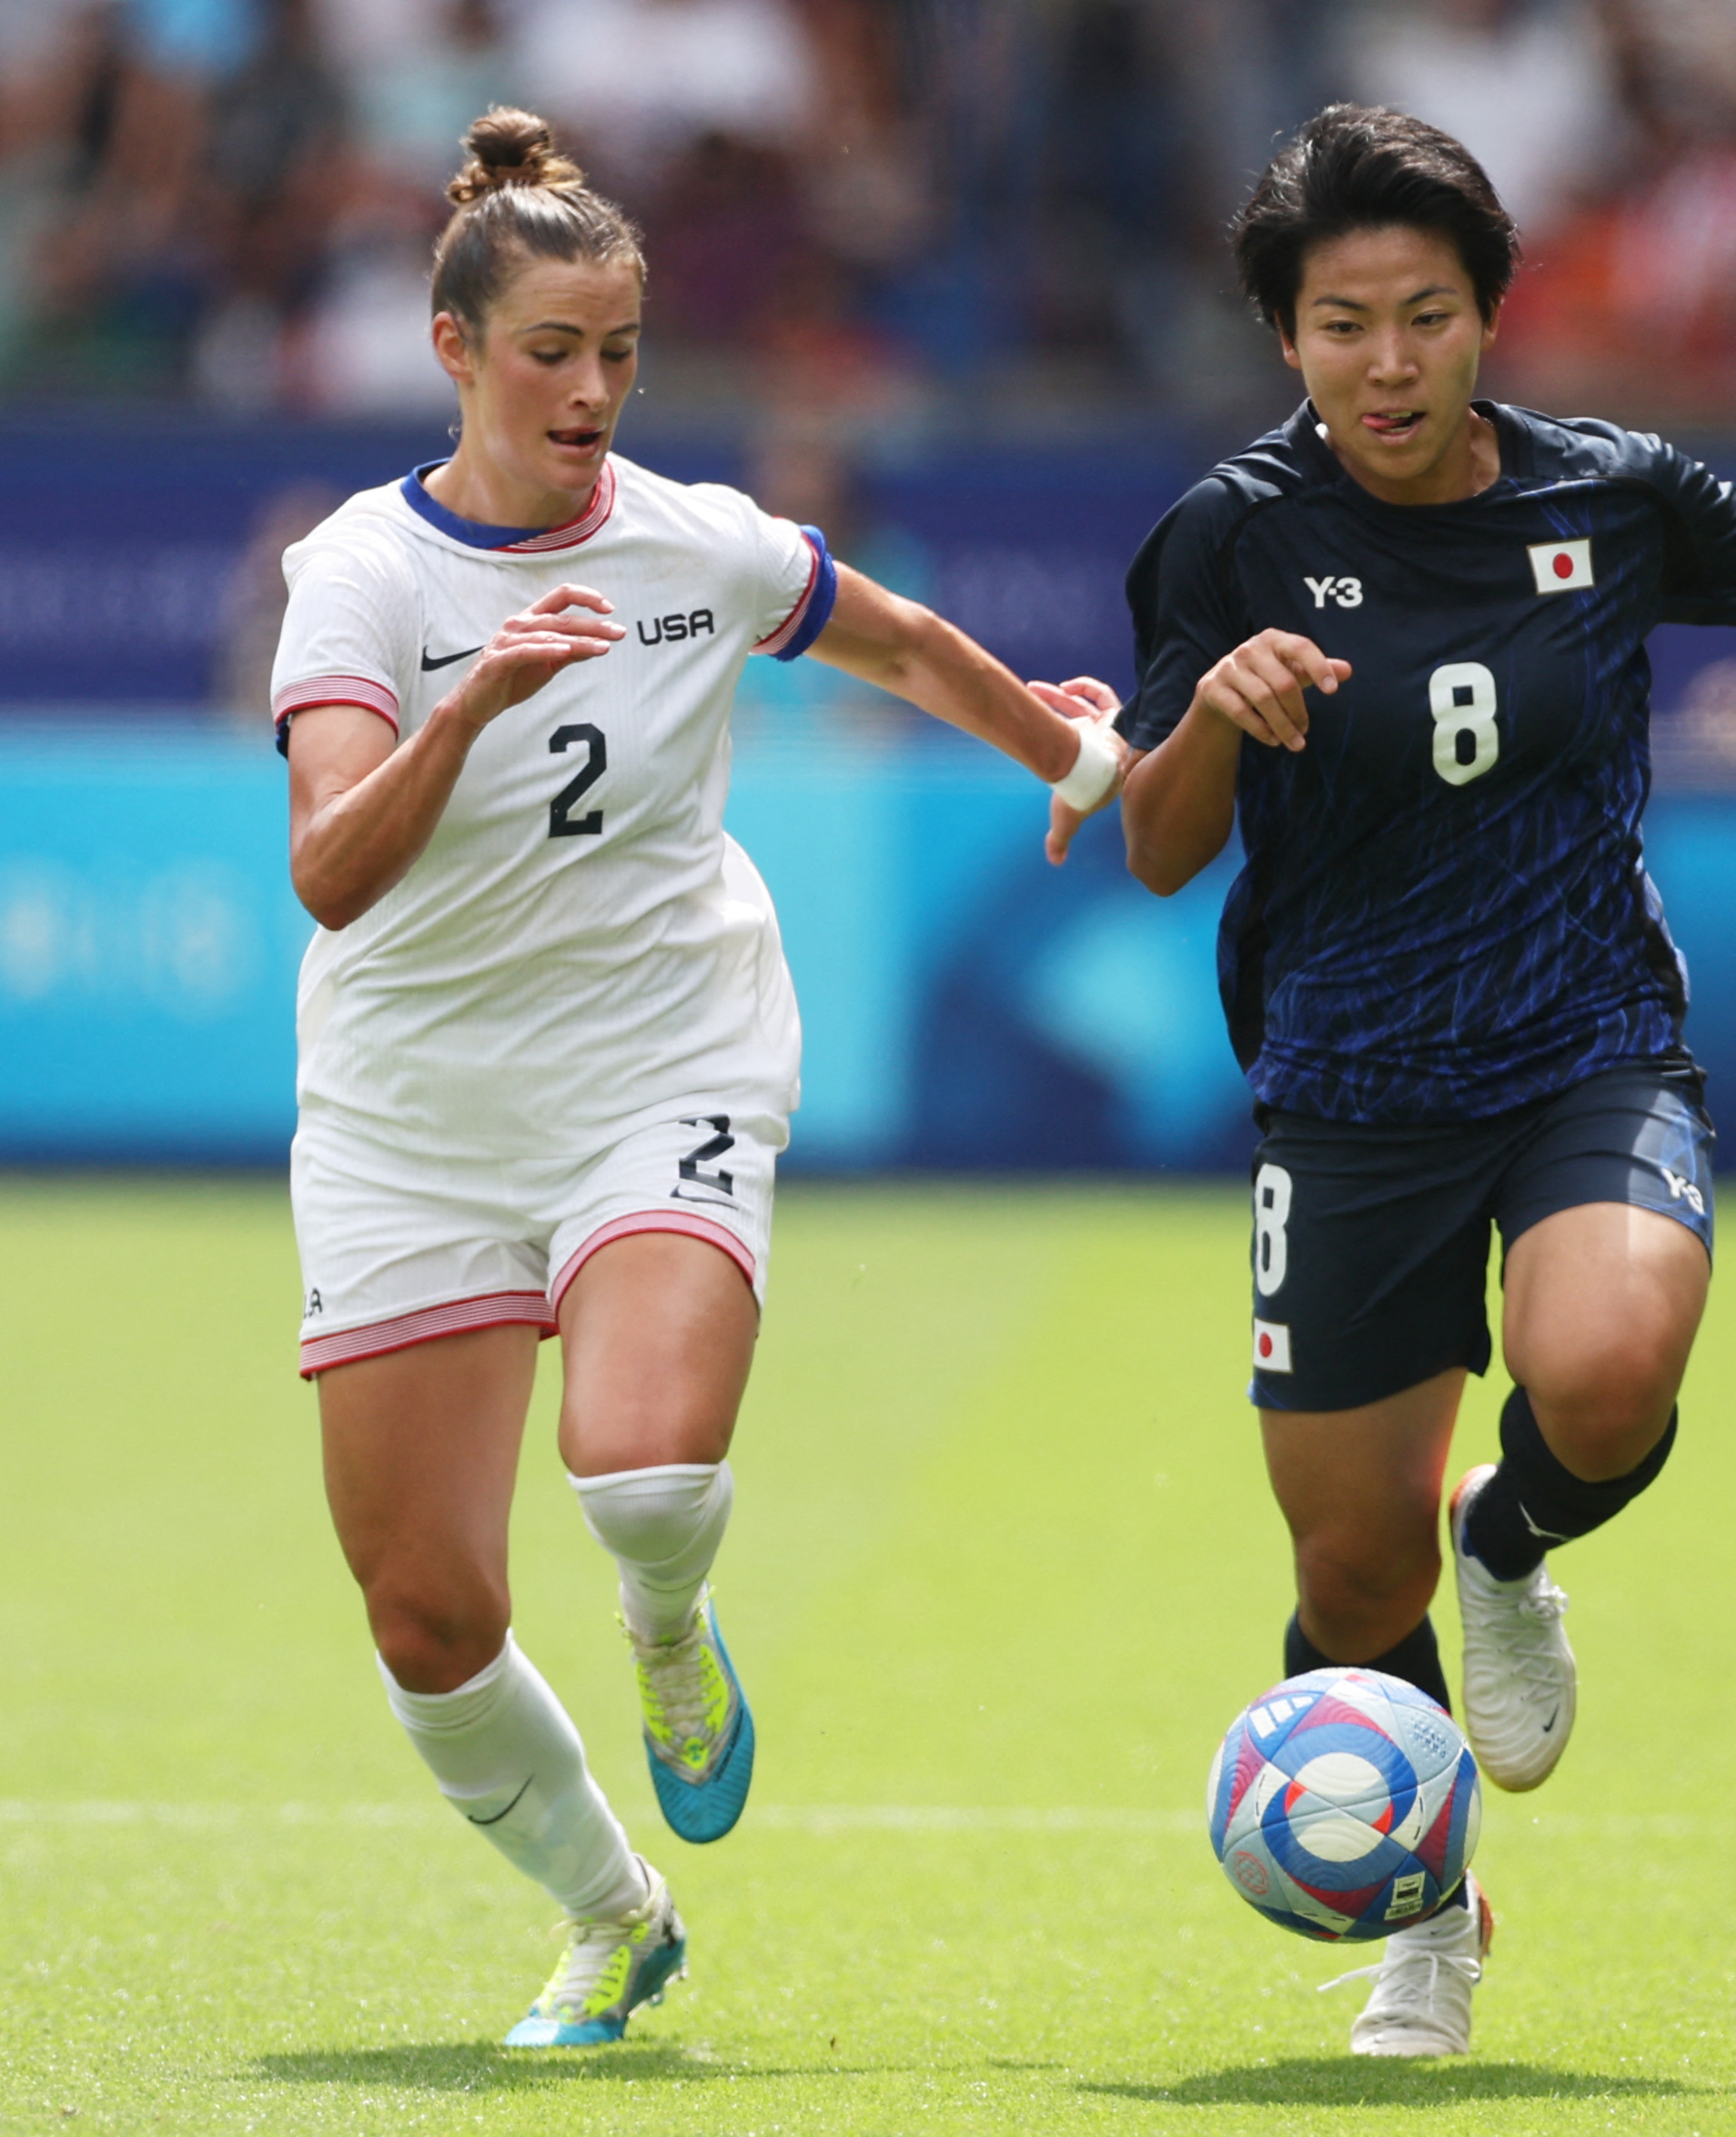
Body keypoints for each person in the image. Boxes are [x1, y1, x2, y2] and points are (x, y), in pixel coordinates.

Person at [1039, 105, 1736, 2059]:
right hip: (1347, 1078)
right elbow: (1150, 848)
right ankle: (1426, 1915)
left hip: (1583, 1037)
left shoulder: (1607, 491)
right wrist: (1212, 718)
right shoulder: (1230, 537)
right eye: (1336, 326)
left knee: (1608, 1368)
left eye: (1420, 315)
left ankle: (1516, 1535)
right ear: (1283, 340)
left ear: (1487, 315)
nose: (1383, 363)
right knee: (1340, 1556)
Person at [273, 110, 1119, 2051]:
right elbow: (329, 869)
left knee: (643, 1467)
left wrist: (1058, 756)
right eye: (550, 350)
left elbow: (890, 636)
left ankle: (668, 1633)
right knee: (424, 1615)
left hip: (660, 1044)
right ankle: (611, 1915)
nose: (588, 389)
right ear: (455, 348)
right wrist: (473, 695)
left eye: (619, 352)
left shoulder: (695, 539)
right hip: (411, 1110)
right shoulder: (359, 580)